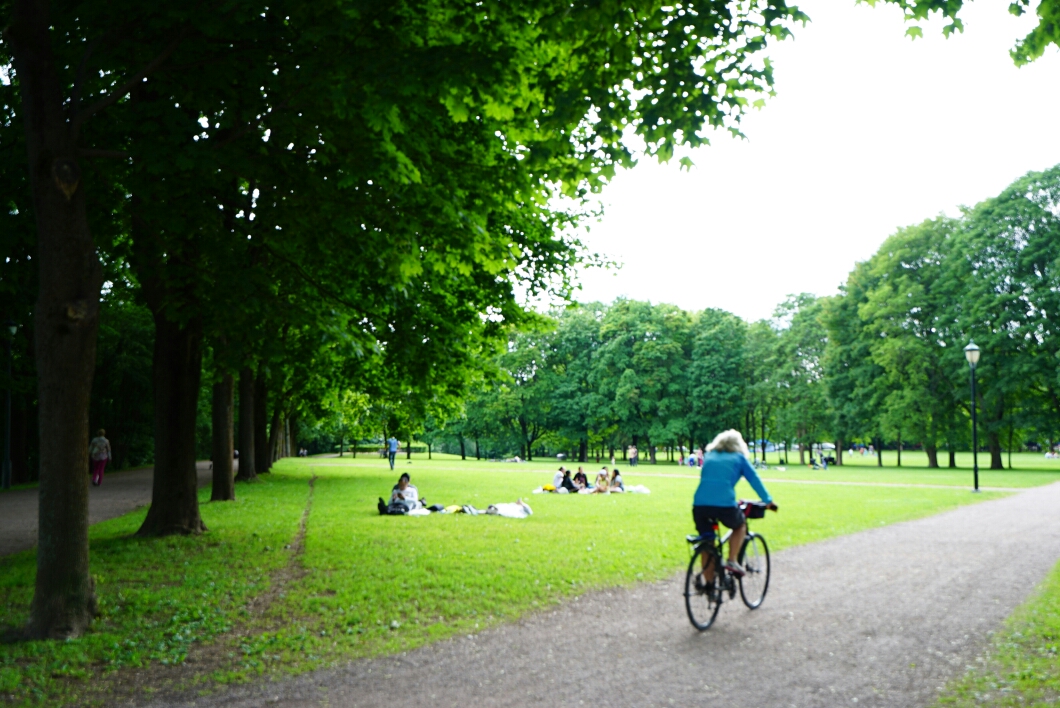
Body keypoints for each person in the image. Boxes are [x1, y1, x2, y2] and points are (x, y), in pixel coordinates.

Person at [692, 429, 773, 579]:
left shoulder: (710, 456)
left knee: (708, 544)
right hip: (724, 504)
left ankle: (709, 587)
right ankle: (732, 560)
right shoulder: (739, 458)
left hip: (699, 505)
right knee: (740, 525)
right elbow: (754, 480)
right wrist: (768, 501)